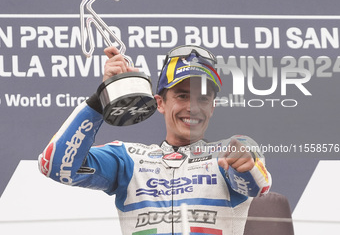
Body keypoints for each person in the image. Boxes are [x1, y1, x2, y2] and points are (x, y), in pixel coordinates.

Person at [38, 45, 272, 235]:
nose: (192, 107)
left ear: (212, 107)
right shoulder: (128, 159)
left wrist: (244, 164)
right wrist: (103, 98)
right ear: (160, 102)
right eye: (182, 96)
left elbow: (258, 184)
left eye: (203, 98)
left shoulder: (228, 150)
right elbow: (55, 166)